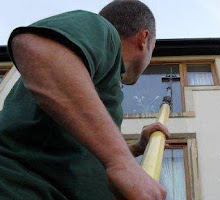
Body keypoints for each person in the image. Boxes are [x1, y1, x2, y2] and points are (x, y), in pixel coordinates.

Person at [0, 0, 169, 199]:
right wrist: (122, 161)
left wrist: (135, 149)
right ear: (144, 38)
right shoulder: (103, 31)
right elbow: (37, 49)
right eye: (154, 48)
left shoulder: (103, 85)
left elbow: (75, 156)